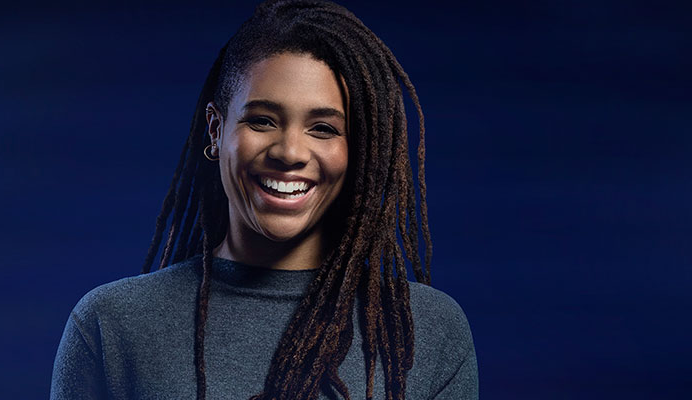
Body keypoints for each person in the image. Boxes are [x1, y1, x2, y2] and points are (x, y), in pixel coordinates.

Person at [50, 0, 478, 399]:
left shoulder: (429, 331)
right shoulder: (112, 325)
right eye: (262, 120)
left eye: (323, 128)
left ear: (359, 149)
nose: (289, 152)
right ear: (216, 130)